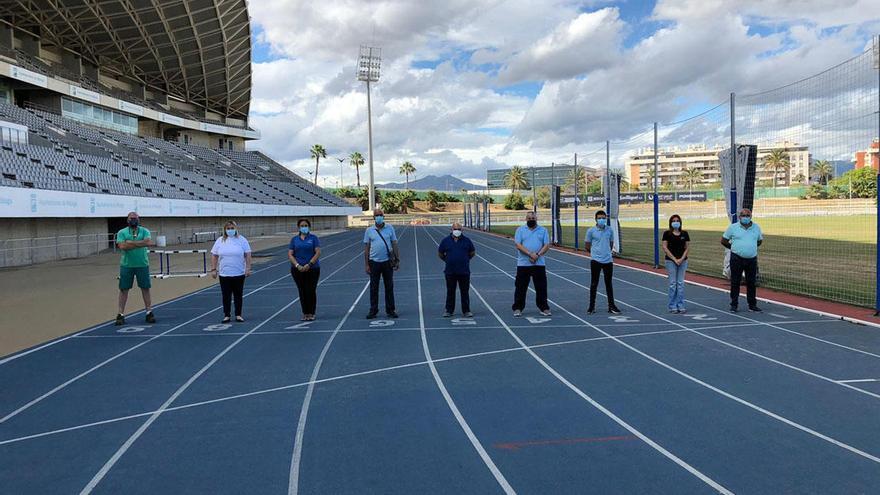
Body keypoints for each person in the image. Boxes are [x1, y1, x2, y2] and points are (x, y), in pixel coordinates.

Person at [115, 211, 155, 325]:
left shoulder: (145, 231)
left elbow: (147, 242)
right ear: (127, 220)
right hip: (127, 265)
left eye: (135, 218)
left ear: (139, 219)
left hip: (142, 264)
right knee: (123, 289)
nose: (133, 220)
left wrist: (130, 243)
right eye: (131, 218)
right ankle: (120, 313)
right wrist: (140, 243)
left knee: (145, 288)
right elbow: (122, 246)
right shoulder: (121, 232)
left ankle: (149, 311)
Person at [721, 207, 763, 313]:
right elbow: (724, 240)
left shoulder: (756, 227)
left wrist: (750, 247)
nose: (745, 217)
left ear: (751, 216)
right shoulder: (733, 227)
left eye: (747, 215)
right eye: (743, 215)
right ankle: (734, 304)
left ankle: (752, 305)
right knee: (735, 282)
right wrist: (734, 248)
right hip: (737, 258)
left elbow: (759, 241)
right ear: (739, 217)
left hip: (751, 259)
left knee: (751, 282)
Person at [210, 220, 252, 323]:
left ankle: (238, 314)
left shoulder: (242, 240)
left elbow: (248, 254)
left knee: (238, 294)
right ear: (224, 230)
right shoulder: (220, 241)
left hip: (238, 273)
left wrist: (248, 268)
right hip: (224, 273)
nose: (230, 230)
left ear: (236, 229)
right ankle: (227, 315)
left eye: (232, 228)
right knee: (226, 295)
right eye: (228, 228)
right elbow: (214, 255)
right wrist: (213, 269)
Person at [512, 211, 551, 317]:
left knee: (541, 287)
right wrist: (530, 254)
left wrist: (537, 255)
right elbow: (518, 244)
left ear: (536, 219)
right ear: (526, 219)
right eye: (529, 218)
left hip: (539, 264)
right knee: (520, 287)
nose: (531, 220)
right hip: (523, 264)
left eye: (533, 218)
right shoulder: (520, 230)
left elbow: (546, 245)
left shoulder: (543, 230)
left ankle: (544, 308)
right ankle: (518, 308)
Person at [364, 208, 399, 319]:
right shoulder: (369, 230)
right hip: (374, 262)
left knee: (389, 287)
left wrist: (397, 260)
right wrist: (366, 264)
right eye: (377, 215)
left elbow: (394, 243)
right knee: (374, 288)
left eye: (381, 215)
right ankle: (373, 310)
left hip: (387, 262)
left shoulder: (390, 228)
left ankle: (390, 310)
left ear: (383, 216)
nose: (379, 217)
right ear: (373, 217)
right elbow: (366, 248)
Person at [585, 210, 621, 315]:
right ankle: (591, 306)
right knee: (594, 284)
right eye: (600, 218)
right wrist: (595, 253)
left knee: (608, 284)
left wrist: (606, 253)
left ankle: (611, 306)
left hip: (608, 260)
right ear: (596, 219)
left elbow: (610, 243)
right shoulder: (591, 231)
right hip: (596, 260)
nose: (602, 220)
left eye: (603, 218)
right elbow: (587, 245)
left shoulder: (610, 230)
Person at [438, 222, 475, 317]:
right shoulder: (445, 241)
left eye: (459, 229)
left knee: (465, 292)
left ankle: (466, 310)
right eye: (455, 229)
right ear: (451, 230)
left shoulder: (467, 241)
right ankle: (449, 310)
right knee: (450, 291)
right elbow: (440, 254)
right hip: (450, 271)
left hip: (464, 271)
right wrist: (448, 260)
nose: (457, 231)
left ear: (462, 230)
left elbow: (472, 253)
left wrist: (465, 260)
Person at [289, 218, 322, 321]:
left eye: (305, 225)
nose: (304, 227)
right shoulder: (294, 240)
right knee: (302, 291)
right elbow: (290, 254)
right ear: (298, 227)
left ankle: (312, 312)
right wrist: (297, 265)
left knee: (310, 290)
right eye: (302, 226)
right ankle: (305, 313)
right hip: (297, 270)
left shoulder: (314, 238)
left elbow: (317, 252)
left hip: (312, 269)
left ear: (309, 227)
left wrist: (310, 264)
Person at [662, 214, 690, 314]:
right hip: (670, 261)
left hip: (683, 261)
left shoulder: (685, 234)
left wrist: (681, 259)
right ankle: (672, 305)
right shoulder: (667, 234)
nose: (676, 222)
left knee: (680, 283)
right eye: (673, 220)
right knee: (673, 284)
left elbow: (687, 248)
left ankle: (681, 304)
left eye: (677, 220)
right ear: (670, 222)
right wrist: (674, 259)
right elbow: (665, 247)